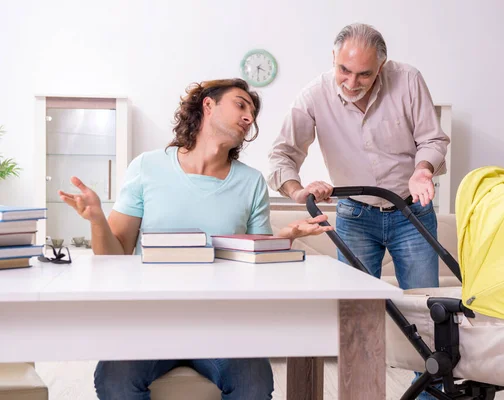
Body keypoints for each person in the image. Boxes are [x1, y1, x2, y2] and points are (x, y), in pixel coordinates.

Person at [59, 78, 333, 400]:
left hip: (223, 324)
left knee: (254, 383)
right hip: (150, 321)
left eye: (252, 113)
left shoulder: (251, 182)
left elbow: (258, 264)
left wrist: (285, 235)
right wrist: (96, 220)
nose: (249, 118)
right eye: (241, 105)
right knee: (114, 379)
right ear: (208, 105)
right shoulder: (148, 167)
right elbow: (114, 258)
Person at [267, 24, 449, 399]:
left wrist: (422, 169)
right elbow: (281, 155)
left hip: (410, 210)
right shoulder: (314, 95)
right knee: (355, 315)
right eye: (344, 71)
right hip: (355, 214)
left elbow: (432, 138)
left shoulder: (408, 80)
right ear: (333, 60)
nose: (351, 82)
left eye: (364, 73)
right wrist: (297, 190)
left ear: (381, 65)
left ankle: (430, 395)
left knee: (423, 313)